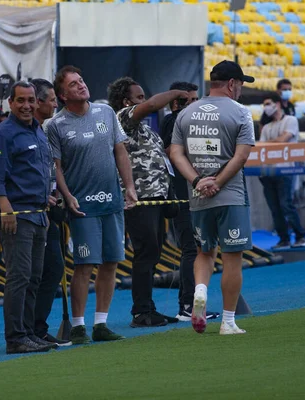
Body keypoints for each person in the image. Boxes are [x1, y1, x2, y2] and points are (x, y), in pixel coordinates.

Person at [47, 65, 137, 344]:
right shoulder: (55, 125)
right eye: (74, 84)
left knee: (111, 262)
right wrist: (67, 195)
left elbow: (119, 150)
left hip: (111, 201)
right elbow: (56, 167)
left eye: (82, 80)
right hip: (82, 206)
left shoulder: (106, 113)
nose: (81, 86)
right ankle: (77, 326)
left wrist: (129, 186)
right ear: (63, 95)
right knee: (85, 264)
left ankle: (101, 323)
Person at [170, 60, 256, 335]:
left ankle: (200, 292)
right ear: (232, 84)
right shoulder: (241, 113)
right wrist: (218, 183)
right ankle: (228, 322)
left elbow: (175, 153)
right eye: (241, 84)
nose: (240, 90)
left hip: (197, 197)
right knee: (232, 256)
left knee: (204, 253)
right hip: (230, 195)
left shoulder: (186, 113)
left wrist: (198, 181)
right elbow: (241, 155)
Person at [107, 77, 188, 327]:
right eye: (138, 97)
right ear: (126, 101)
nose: (144, 101)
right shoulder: (122, 118)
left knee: (153, 252)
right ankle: (141, 311)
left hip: (155, 197)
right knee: (145, 252)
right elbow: (153, 104)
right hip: (138, 198)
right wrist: (176, 92)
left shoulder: (144, 129)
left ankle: (148, 307)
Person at [0, 81, 55, 354]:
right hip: (17, 215)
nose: (26, 105)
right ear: (11, 103)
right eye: (21, 101)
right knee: (19, 276)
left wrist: (46, 202)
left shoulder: (38, 130)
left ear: (36, 103)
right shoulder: (3, 134)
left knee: (34, 277)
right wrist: (5, 208)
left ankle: (28, 333)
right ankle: (15, 338)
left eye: (31, 100)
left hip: (38, 214)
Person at [159, 81, 218, 321]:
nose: (197, 105)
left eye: (197, 100)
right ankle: (186, 304)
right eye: (191, 101)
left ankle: (191, 302)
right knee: (191, 249)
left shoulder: (183, 122)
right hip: (184, 194)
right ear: (176, 104)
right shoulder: (174, 123)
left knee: (199, 248)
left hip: (193, 193)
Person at [29, 78, 71, 346]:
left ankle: (37, 326)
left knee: (53, 269)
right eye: (52, 99)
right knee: (32, 274)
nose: (56, 103)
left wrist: (57, 195)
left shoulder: (45, 131)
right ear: (39, 102)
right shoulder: (17, 132)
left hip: (49, 212)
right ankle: (26, 329)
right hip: (26, 214)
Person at [259, 93, 305, 249]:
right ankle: (284, 239)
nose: (266, 107)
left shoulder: (291, 120)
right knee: (275, 208)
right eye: (264, 104)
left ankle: (300, 236)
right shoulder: (267, 127)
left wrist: (269, 143)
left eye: (269, 103)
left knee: (286, 204)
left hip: (285, 169)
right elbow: (261, 147)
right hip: (268, 171)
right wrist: (270, 143)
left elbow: (283, 140)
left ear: (278, 104)